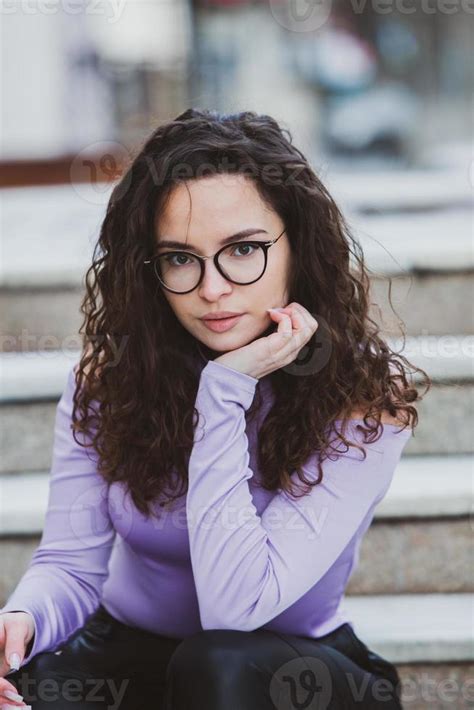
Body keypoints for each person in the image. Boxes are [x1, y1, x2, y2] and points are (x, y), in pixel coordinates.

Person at [0, 108, 430, 710]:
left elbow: (237, 609)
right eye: (180, 258)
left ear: (297, 247)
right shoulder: (113, 381)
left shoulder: (360, 397)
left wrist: (225, 391)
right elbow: (71, 566)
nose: (212, 288)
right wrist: (22, 620)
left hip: (283, 671)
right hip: (128, 655)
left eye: (243, 250)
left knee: (217, 664)